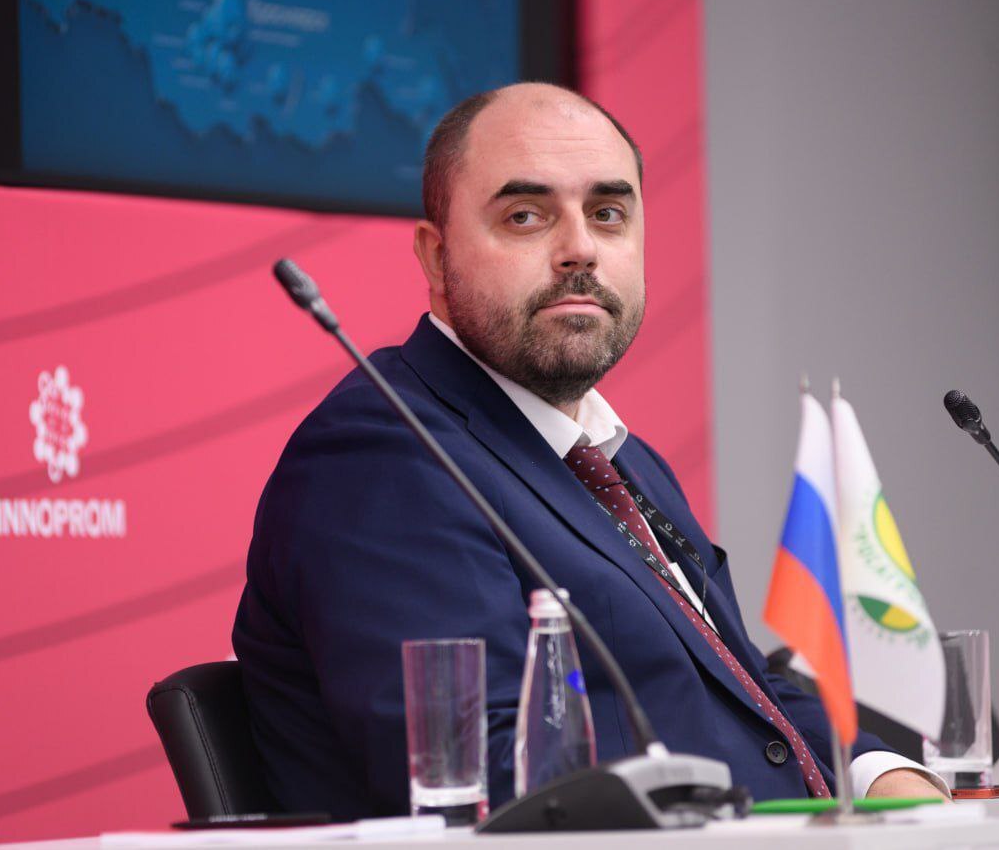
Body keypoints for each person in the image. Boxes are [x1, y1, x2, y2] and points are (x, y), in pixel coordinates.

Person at [232, 83, 946, 820]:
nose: (580, 248)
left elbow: (742, 686)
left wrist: (876, 770)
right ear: (437, 259)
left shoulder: (619, 459)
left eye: (607, 213)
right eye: (525, 215)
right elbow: (491, 786)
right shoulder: (384, 456)